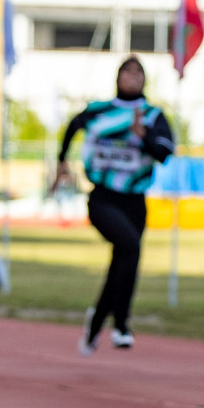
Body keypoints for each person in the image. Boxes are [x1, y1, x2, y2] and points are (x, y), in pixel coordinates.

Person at [55, 56, 175, 354]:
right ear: (118, 77)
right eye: (127, 71)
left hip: (135, 200)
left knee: (122, 261)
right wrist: (62, 161)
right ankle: (121, 324)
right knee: (130, 248)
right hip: (103, 197)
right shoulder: (99, 111)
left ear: (145, 80)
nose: (132, 77)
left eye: (138, 73)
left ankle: (96, 324)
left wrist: (143, 138)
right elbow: (72, 126)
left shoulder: (152, 115)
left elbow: (164, 153)